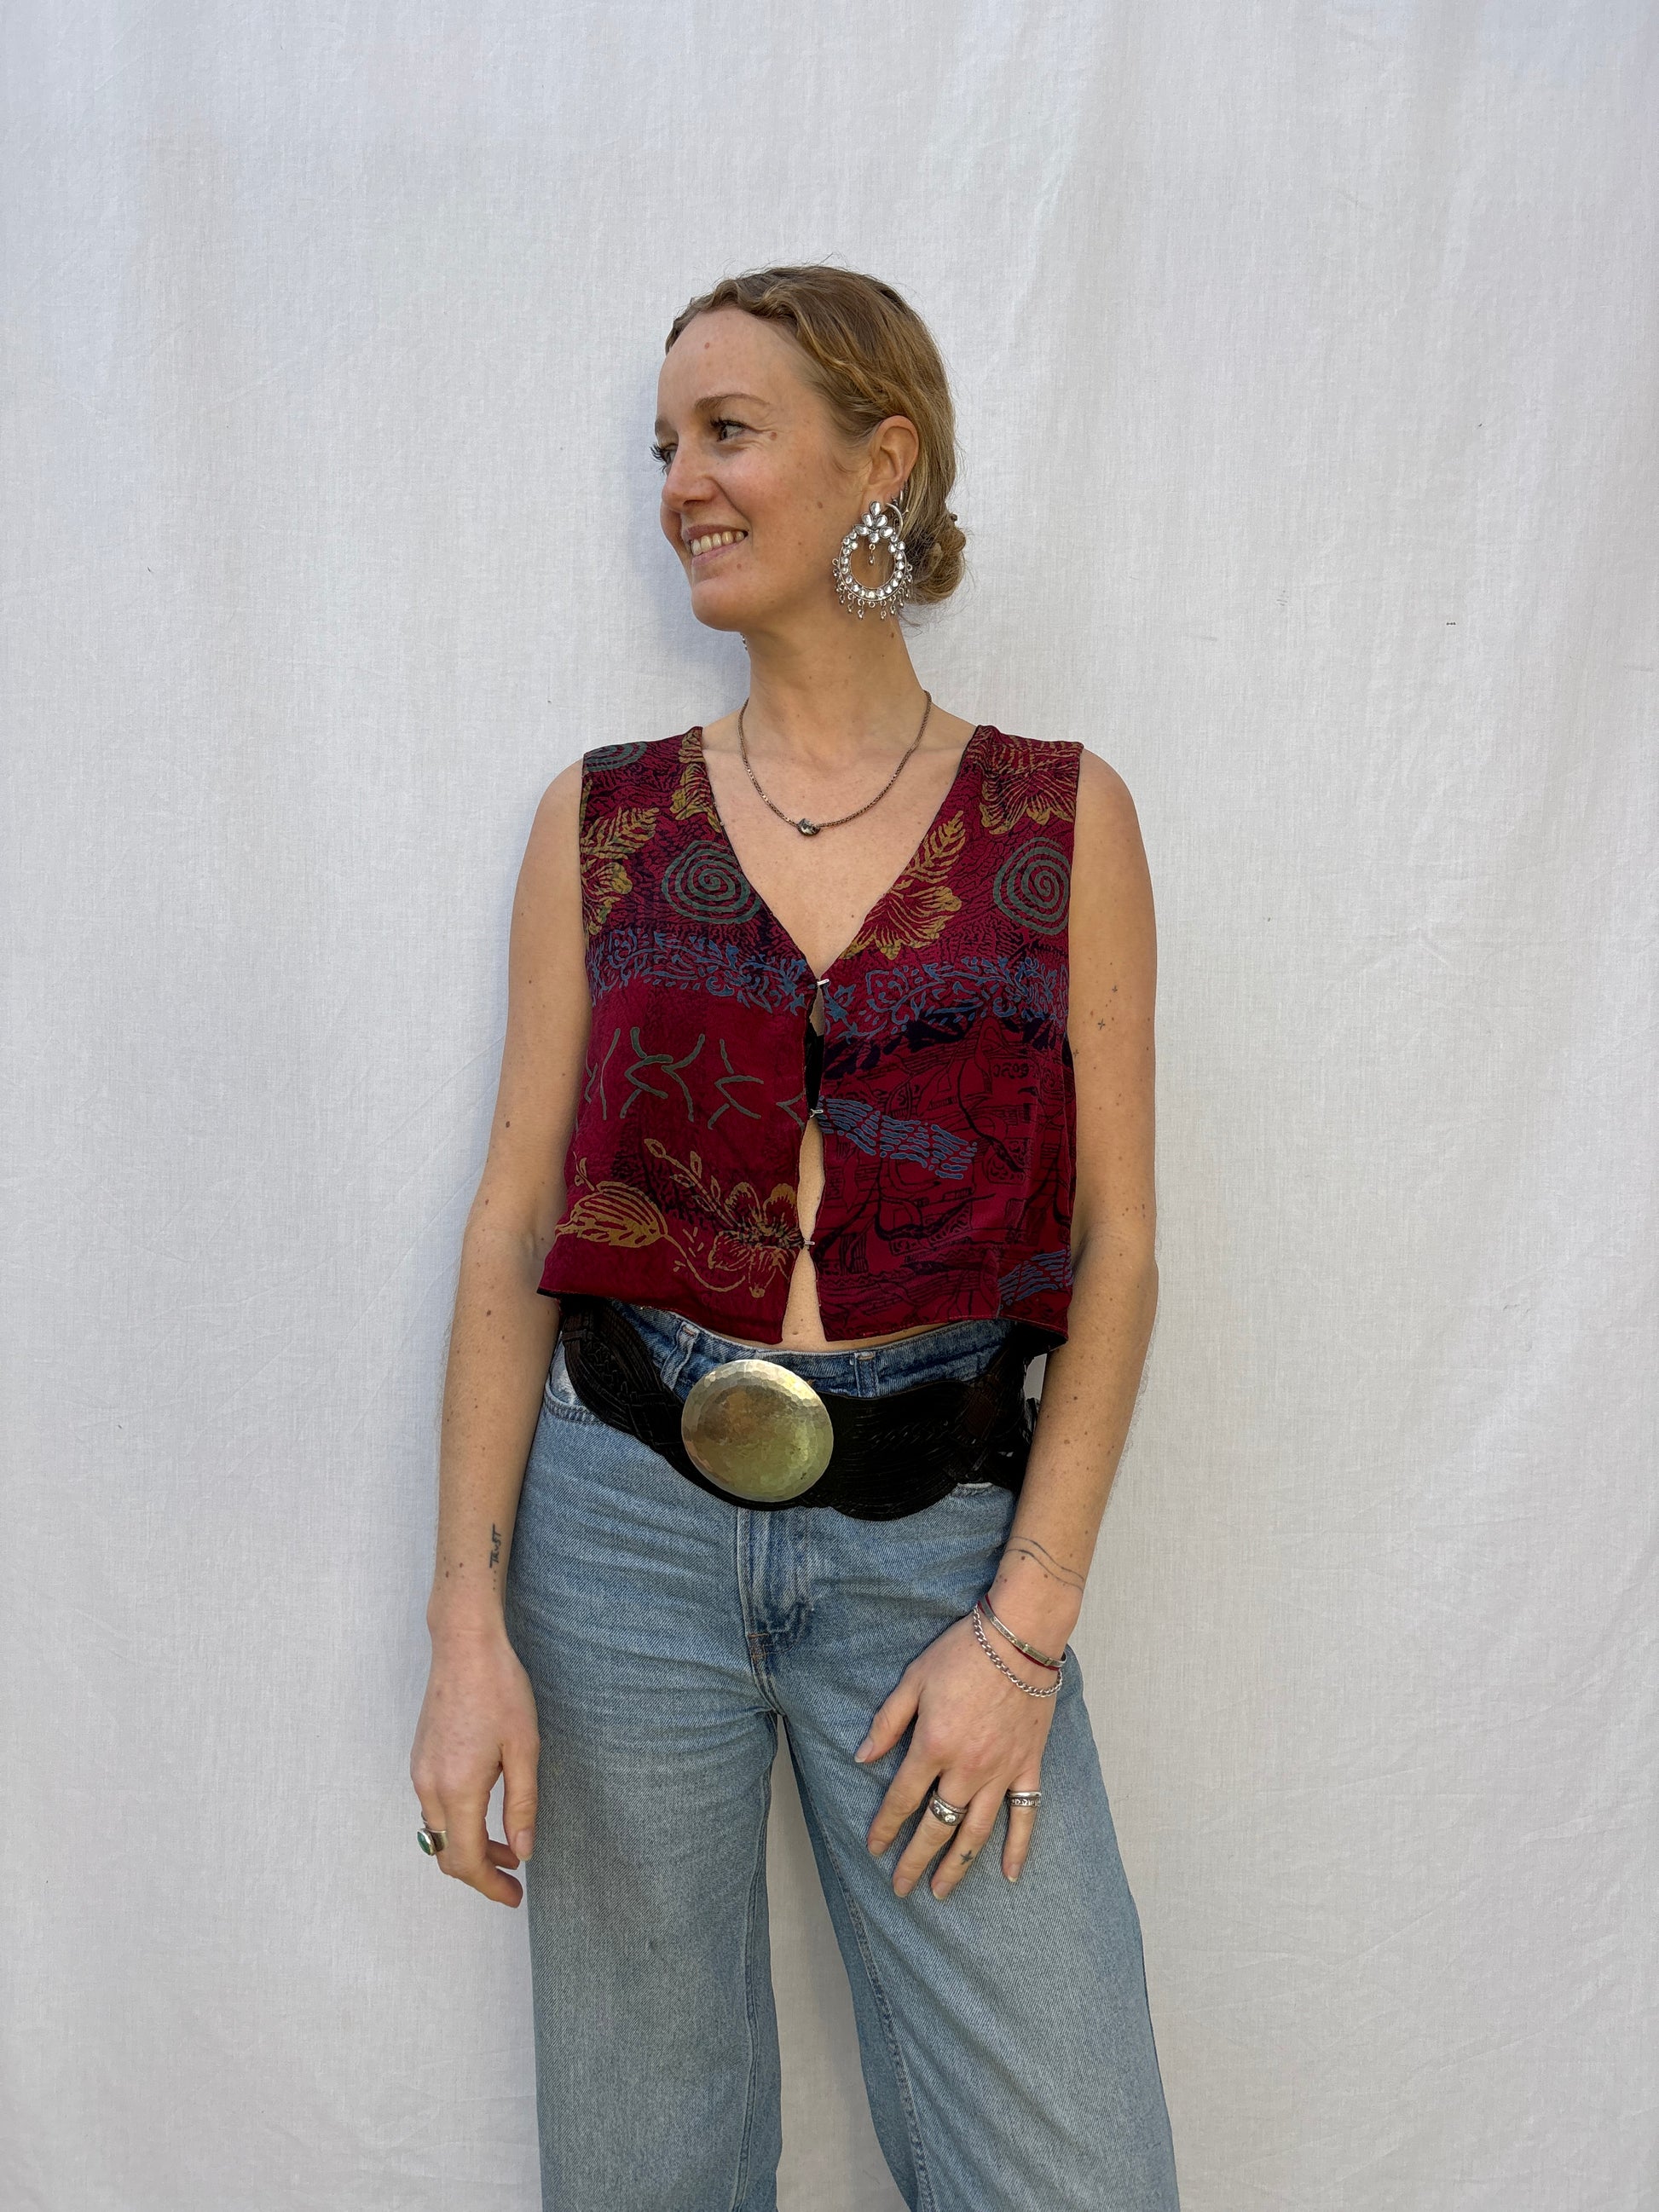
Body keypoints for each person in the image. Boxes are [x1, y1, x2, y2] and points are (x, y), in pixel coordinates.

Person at [409, 264, 1180, 2212]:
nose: (680, 480)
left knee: (1074, 2168)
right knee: (646, 2160)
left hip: (938, 1547)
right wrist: (467, 1628)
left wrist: (1023, 1628)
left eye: (728, 431)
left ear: (879, 460)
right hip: (620, 1529)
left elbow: (1119, 1249)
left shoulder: (1059, 817)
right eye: (663, 443)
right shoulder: (601, 822)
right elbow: (517, 1220)